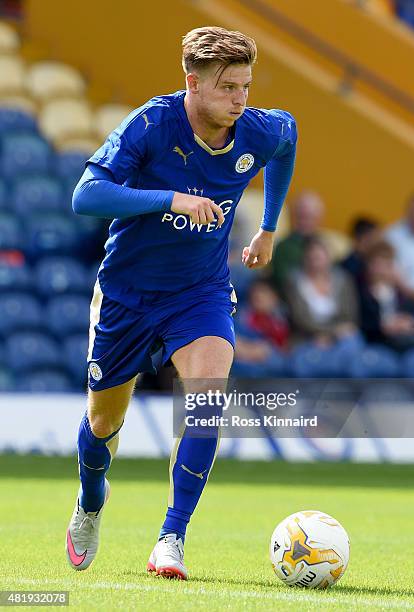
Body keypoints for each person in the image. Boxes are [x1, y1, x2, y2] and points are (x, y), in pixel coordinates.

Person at [66, 26, 297, 580]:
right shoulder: (151, 124)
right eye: (228, 87)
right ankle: (91, 499)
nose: (241, 99)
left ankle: (172, 537)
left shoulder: (258, 129)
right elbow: (86, 195)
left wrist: (267, 227)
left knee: (205, 399)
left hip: (200, 291)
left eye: (246, 85)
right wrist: (170, 198)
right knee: (103, 422)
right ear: (192, 83)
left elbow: (288, 141)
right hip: (127, 294)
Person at [284, 236, 358, 345]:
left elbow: (349, 314)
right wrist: (325, 333)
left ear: (329, 257)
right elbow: (299, 318)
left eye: (319, 256)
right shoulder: (294, 281)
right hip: (307, 336)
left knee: (352, 342)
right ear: (304, 258)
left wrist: (333, 333)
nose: (315, 260)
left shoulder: (342, 279)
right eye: (311, 256)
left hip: (340, 333)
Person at [358, 240, 414, 351]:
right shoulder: (361, 292)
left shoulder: (397, 291)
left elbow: (409, 313)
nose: (382, 270)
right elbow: (363, 324)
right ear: (369, 265)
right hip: (378, 340)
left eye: (387, 265)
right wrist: (385, 327)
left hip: (402, 335)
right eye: (378, 264)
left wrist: (407, 321)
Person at [271, 191, 323, 290]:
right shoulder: (283, 247)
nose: (306, 222)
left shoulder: (324, 245)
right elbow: (284, 281)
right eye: (302, 217)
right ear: (293, 217)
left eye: (311, 217)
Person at [386, 190, 414, 311]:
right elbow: (392, 274)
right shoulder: (392, 237)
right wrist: (413, 293)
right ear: (410, 212)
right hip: (407, 300)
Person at [340, 216, 380, 286]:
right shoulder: (348, 267)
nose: (378, 244)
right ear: (364, 239)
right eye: (375, 238)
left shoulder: (368, 264)